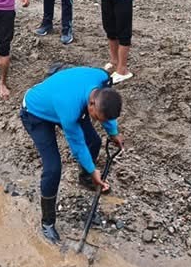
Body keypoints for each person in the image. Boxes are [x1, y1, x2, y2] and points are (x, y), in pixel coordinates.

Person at [20, 66, 123, 244]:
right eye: (97, 118)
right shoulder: (70, 110)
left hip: (62, 99)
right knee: (53, 168)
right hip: (35, 113)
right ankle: (47, 222)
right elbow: (77, 145)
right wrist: (93, 169)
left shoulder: (103, 80)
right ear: (91, 104)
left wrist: (113, 132)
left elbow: (107, 107)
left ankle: (84, 179)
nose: (98, 121)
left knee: (95, 142)